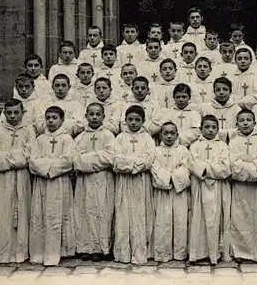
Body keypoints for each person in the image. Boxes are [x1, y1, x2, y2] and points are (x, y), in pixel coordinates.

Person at [0, 99, 36, 264]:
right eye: (9, 113)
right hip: (1, 178)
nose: (13, 116)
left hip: (21, 177)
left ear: (22, 113)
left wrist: (7, 157)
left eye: (16, 112)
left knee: (21, 211)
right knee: (1, 211)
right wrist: (13, 158)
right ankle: (0, 252)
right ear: (4, 113)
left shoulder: (28, 131)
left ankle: (19, 252)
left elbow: (29, 154)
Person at [29, 106, 76, 266]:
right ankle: (38, 252)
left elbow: (68, 160)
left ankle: (59, 252)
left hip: (59, 182)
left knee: (57, 214)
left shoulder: (67, 139)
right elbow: (33, 160)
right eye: (48, 118)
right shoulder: (40, 139)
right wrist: (45, 169)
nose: (50, 121)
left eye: (54, 118)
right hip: (42, 182)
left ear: (62, 120)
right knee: (40, 215)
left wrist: (50, 169)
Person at [113, 105, 156, 264]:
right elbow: (116, 159)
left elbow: (148, 159)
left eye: (137, 120)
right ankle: (123, 253)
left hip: (141, 181)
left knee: (140, 214)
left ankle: (140, 251)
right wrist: (134, 164)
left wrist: (130, 165)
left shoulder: (147, 138)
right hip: (124, 182)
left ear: (143, 121)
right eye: (130, 119)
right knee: (124, 213)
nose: (133, 123)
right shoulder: (120, 138)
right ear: (125, 120)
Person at [73, 102, 116, 262]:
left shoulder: (108, 136)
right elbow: (75, 159)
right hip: (84, 181)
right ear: (86, 116)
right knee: (84, 211)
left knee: (102, 212)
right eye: (91, 114)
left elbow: (110, 157)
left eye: (98, 114)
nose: (94, 117)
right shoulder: (80, 137)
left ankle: (101, 248)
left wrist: (87, 159)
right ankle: (85, 247)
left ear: (104, 117)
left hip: (103, 179)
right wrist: (96, 157)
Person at [189, 115, 232, 264]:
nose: (210, 130)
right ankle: (198, 253)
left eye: (214, 127)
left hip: (218, 187)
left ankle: (215, 253)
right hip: (200, 186)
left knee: (216, 217)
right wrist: (210, 169)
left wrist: (207, 169)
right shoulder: (195, 146)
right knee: (200, 218)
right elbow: (193, 164)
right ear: (200, 129)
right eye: (207, 127)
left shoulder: (223, 146)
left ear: (218, 130)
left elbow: (226, 168)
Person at [229, 109, 257, 262]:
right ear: (237, 123)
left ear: (254, 122)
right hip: (241, 187)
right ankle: (241, 251)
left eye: (248, 120)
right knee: (240, 217)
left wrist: (251, 171)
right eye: (241, 120)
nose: (245, 123)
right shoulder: (234, 142)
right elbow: (234, 163)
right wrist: (251, 171)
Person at [151, 122, 191, 262]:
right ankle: (163, 253)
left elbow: (186, 167)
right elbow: (154, 168)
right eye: (165, 133)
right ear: (160, 135)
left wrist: (173, 177)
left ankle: (180, 253)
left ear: (177, 135)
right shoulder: (155, 151)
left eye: (172, 133)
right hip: (163, 191)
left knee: (180, 220)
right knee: (163, 220)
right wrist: (168, 177)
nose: (169, 136)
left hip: (179, 192)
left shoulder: (183, 150)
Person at [198, 77, 241, 144]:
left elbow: (239, 130)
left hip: (232, 143)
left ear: (230, 91)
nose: (221, 92)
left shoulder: (236, 108)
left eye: (225, 89)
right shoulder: (205, 108)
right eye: (218, 90)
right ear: (214, 91)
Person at [158, 83, 201, 148]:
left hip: (190, 146)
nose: (181, 100)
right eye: (178, 97)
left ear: (189, 97)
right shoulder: (168, 113)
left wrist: (179, 138)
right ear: (173, 97)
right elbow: (164, 129)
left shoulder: (194, 113)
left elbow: (196, 132)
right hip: (170, 145)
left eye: (184, 97)